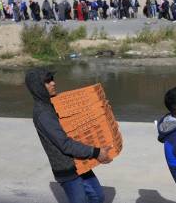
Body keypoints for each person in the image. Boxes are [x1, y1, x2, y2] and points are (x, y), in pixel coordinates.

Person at [25, 68, 113, 203]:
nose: (53, 83)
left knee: (98, 196)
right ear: (38, 87)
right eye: (47, 82)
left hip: (80, 162)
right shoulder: (43, 114)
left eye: (52, 80)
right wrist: (96, 152)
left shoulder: (53, 105)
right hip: (67, 169)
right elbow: (65, 144)